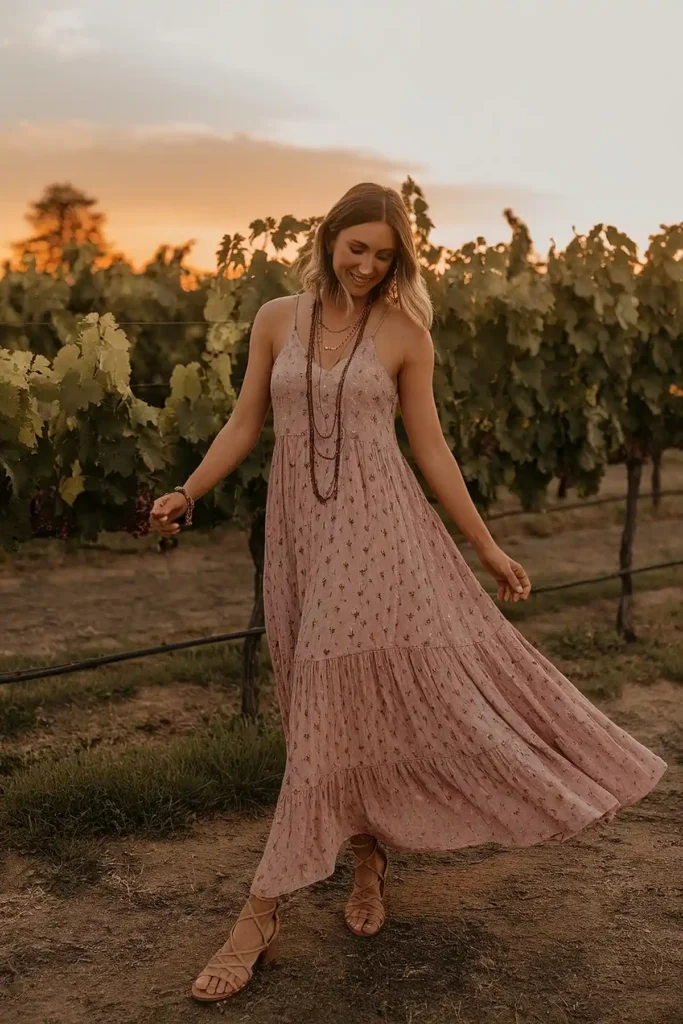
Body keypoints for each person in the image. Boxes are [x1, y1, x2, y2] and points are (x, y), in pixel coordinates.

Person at [149, 182, 668, 1003]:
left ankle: (260, 913)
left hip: (377, 538)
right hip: (298, 541)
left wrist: (488, 547)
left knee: (324, 694)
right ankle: (368, 858)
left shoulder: (403, 332)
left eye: (383, 256)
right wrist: (190, 490)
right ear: (328, 239)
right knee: (321, 703)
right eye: (356, 247)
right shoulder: (276, 319)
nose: (366, 266)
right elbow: (244, 422)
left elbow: (430, 451)